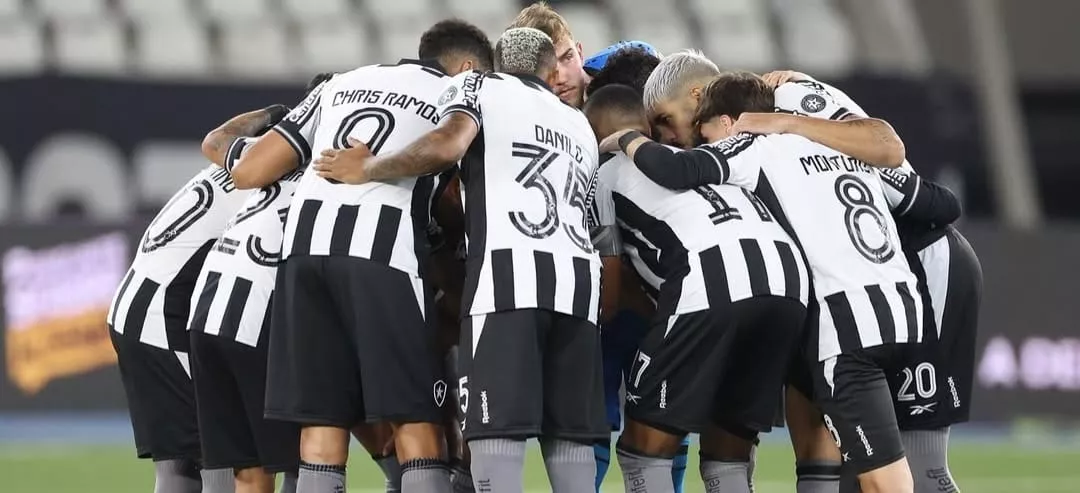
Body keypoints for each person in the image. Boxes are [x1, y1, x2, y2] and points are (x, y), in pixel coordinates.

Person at [601, 71, 944, 493]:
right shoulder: (833, 142)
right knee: (881, 465)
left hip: (844, 322)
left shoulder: (747, 145)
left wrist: (625, 140)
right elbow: (939, 202)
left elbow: (677, 169)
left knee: (882, 481)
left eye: (702, 129)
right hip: (899, 310)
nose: (694, 138)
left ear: (727, 122)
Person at [311, 27, 607, 493]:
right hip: (578, 290)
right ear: (553, 72)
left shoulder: (479, 85)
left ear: (496, 63)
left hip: (506, 284)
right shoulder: (581, 126)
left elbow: (448, 143)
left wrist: (367, 168)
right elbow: (595, 223)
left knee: (494, 434)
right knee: (570, 439)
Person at [227, 19, 494, 493]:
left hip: (304, 257)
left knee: (322, 429)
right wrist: (373, 171)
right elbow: (447, 152)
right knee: (417, 421)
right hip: (382, 258)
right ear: (471, 67)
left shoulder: (339, 82)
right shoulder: (463, 89)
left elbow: (250, 171)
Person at [756, 71, 982, 493]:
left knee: (921, 464)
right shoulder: (748, 144)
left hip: (919, 266)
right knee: (856, 465)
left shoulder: (789, 99)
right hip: (847, 294)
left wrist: (787, 119)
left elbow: (893, 155)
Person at [585, 84, 810, 493]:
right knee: (728, 456)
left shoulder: (603, 174)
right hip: (788, 282)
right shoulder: (703, 157)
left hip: (709, 280)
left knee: (643, 452)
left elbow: (611, 289)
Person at [108, 106, 281, 493]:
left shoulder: (237, 158)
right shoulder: (277, 174)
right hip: (165, 314)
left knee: (180, 468)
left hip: (138, 304)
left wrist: (271, 112)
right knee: (225, 459)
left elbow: (217, 137)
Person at [578, 42, 695, 493]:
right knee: (662, 418)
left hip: (622, 306)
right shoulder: (679, 157)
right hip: (655, 304)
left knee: (599, 419)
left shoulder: (602, 161)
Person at [508, 1, 591, 108]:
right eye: (546, 68)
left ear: (580, 53)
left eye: (567, 58)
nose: (561, 79)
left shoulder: (614, 80)